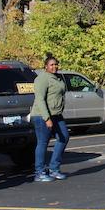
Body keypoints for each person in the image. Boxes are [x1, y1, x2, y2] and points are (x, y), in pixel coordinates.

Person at [30, 54, 69, 182]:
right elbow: (40, 99)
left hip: (56, 114)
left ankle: (54, 169)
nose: (54, 67)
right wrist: (47, 118)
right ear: (46, 66)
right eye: (51, 65)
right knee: (43, 142)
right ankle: (39, 172)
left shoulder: (57, 78)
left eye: (56, 64)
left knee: (63, 137)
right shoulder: (42, 78)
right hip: (42, 115)